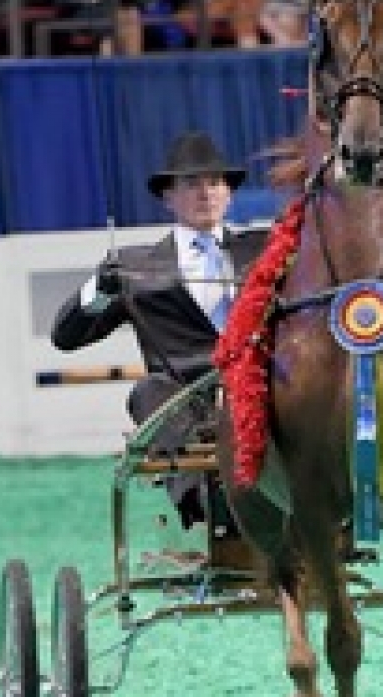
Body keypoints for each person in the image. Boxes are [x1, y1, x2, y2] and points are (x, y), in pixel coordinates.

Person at [51, 130, 269, 527]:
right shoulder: (137, 267)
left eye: (215, 182)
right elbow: (65, 337)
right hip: (182, 396)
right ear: (168, 197)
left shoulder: (264, 251)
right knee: (147, 392)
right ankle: (203, 501)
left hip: (259, 388)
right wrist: (99, 288)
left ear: (229, 193)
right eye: (191, 183)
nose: (206, 192)